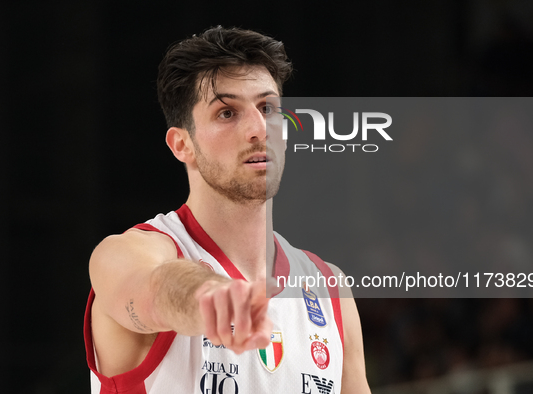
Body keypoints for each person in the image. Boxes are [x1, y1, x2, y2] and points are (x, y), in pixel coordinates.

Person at [84, 26, 371, 394]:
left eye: (267, 108)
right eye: (226, 113)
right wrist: (208, 295)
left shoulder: (329, 287)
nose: (258, 128)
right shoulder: (130, 253)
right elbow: (152, 288)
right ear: (182, 144)